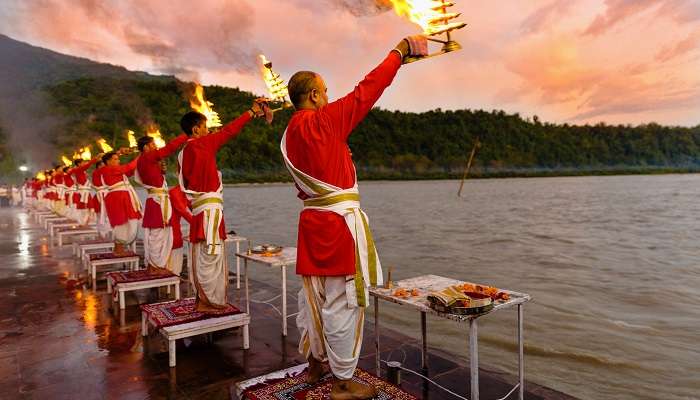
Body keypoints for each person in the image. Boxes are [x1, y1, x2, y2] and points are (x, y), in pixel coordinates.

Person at [282, 36, 427, 398]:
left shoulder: (287, 135)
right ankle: (343, 382)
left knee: (312, 297)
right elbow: (369, 89)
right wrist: (399, 51)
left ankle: (315, 363)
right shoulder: (325, 121)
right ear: (314, 96)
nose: (330, 97)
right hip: (338, 227)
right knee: (344, 301)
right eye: (325, 91)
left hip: (311, 224)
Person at [178, 98, 271, 312]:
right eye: (205, 127)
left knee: (204, 256)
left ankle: (203, 300)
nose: (209, 130)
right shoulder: (201, 144)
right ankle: (208, 302)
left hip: (202, 211)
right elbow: (229, 131)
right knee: (211, 256)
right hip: (209, 212)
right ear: (196, 129)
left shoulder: (184, 152)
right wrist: (250, 112)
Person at [135, 134, 188, 273]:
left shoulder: (144, 160)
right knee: (157, 235)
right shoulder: (146, 157)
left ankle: (155, 265)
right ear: (146, 147)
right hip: (157, 202)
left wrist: (160, 170)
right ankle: (154, 267)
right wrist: (186, 135)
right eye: (153, 144)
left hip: (157, 201)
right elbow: (169, 148)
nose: (156, 147)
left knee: (158, 235)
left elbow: (155, 177)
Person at [100, 149, 141, 255]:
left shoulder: (114, 169)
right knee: (120, 222)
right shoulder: (108, 169)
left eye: (118, 159)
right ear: (108, 161)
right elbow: (129, 167)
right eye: (115, 159)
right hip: (117, 197)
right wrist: (142, 155)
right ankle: (118, 249)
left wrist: (137, 156)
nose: (118, 161)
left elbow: (130, 171)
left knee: (127, 222)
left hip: (121, 196)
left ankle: (119, 247)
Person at [168, 185, 193, 276]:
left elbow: (194, 207)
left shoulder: (186, 192)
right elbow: (183, 211)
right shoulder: (175, 192)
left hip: (175, 229)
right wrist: (199, 226)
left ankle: (174, 277)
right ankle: (171, 279)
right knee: (175, 246)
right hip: (169, 230)